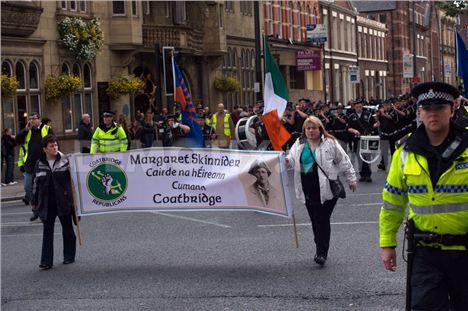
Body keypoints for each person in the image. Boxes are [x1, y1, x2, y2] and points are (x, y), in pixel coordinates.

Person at [379, 82, 468, 310]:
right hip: (426, 252)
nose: (433, 113)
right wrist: (387, 243)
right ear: (419, 112)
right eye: (427, 108)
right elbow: (392, 203)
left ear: (452, 109)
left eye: (439, 107)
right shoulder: (405, 153)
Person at [286, 116, 357, 266]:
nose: (311, 131)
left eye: (314, 128)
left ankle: (321, 252)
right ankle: (320, 243)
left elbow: (343, 161)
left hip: (326, 188)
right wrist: (285, 160)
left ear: (320, 129)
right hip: (307, 186)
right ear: (304, 130)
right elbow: (292, 160)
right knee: (315, 219)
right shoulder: (299, 144)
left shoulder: (330, 143)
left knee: (321, 219)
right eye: (308, 128)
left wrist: (351, 179)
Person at [31, 135, 76, 270]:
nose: (55, 147)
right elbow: (35, 184)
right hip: (47, 203)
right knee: (47, 231)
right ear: (45, 149)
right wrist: (34, 203)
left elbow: (74, 181)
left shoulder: (65, 160)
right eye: (51, 146)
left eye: (56, 145)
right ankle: (46, 261)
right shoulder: (39, 163)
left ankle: (69, 256)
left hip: (63, 200)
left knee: (67, 229)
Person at [15, 112, 53, 221]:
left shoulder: (46, 129)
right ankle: (35, 208)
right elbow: (17, 140)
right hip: (30, 164)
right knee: (28, 187)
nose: (31, 120)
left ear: (39, 119)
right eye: (30, 118)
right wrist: (25, 130)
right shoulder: (27, 131)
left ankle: (43, 210)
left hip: (43, 163)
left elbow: (54, 143)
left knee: (43, 188)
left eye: (34, 118)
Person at [347, 99, 377, 182]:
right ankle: (362, 174)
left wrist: (376, 124)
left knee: (367, 157)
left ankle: (368, 175)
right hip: (357, 139)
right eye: (357, 107)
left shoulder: (368, 115)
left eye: (360, 107)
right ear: (354, 108)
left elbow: (373, 124)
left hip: (367, 139)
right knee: (359, 158)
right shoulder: (352, 116)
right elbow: (349, 128)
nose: (359, 108)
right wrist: (355, 131)